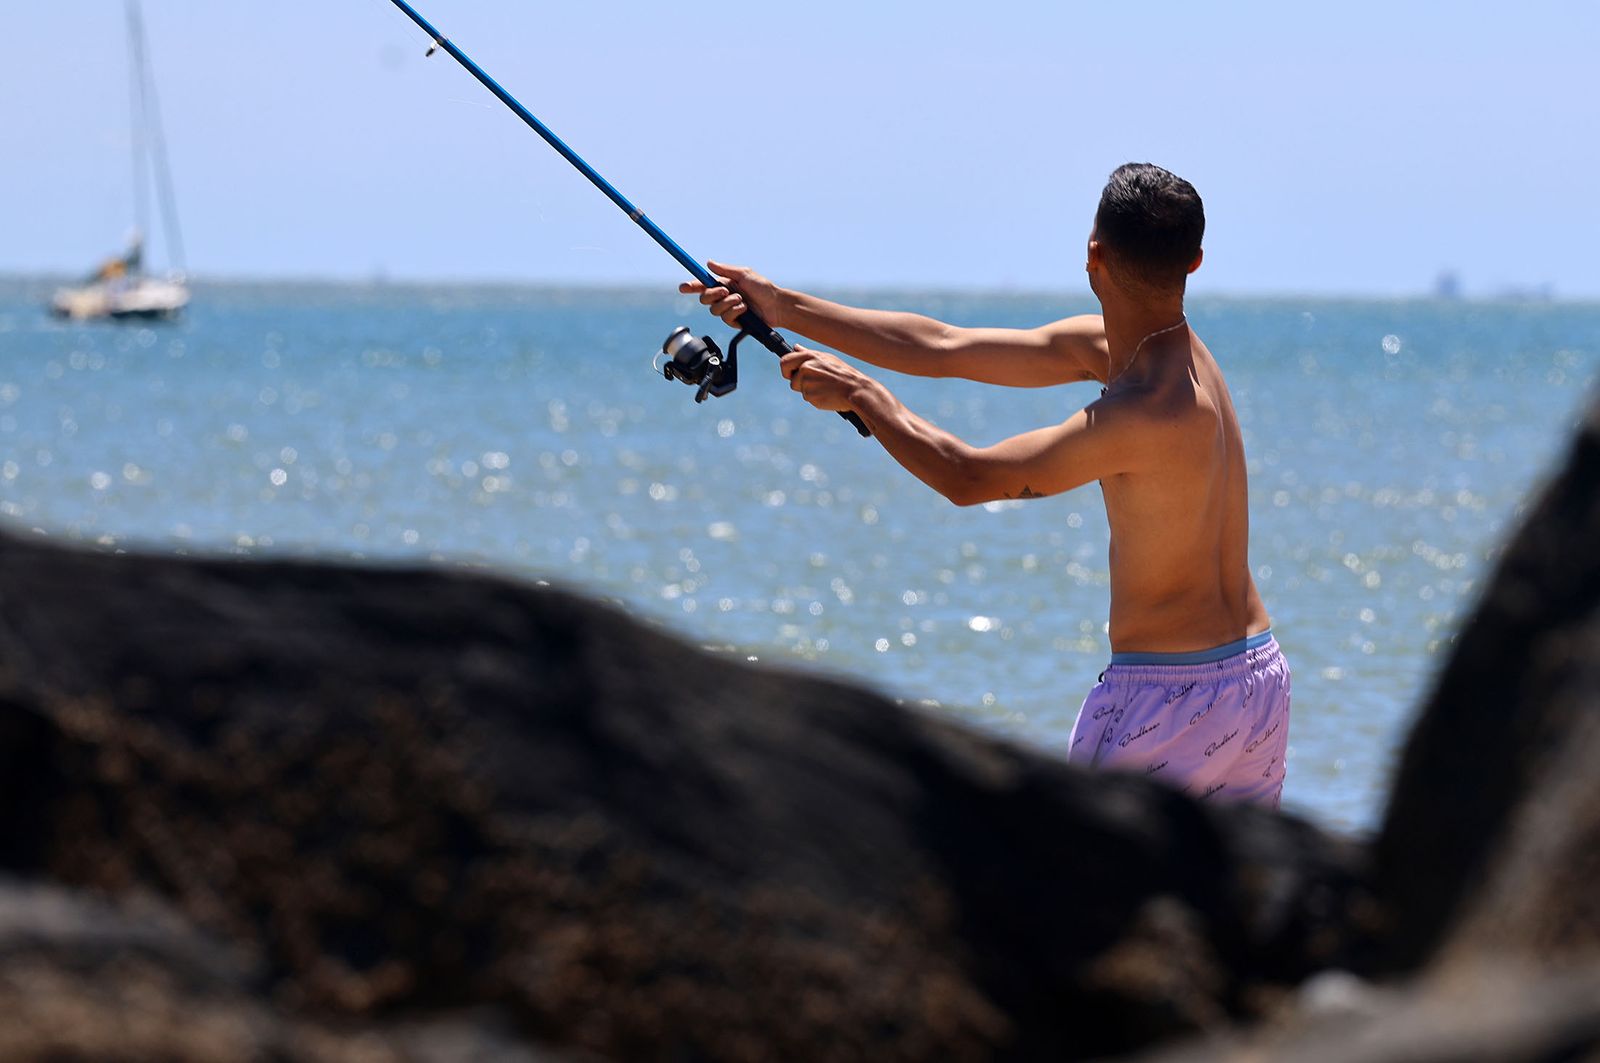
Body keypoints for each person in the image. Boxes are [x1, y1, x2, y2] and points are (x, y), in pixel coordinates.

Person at [681, 163, 1289, 807]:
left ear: (1093, 256)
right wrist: (784, 307)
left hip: (1170, 699)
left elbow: (971, 477)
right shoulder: (1173, 358)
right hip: (1259, 678)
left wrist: (862, 395)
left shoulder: (1143, 408)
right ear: (1195, 261)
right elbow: (945, 345)